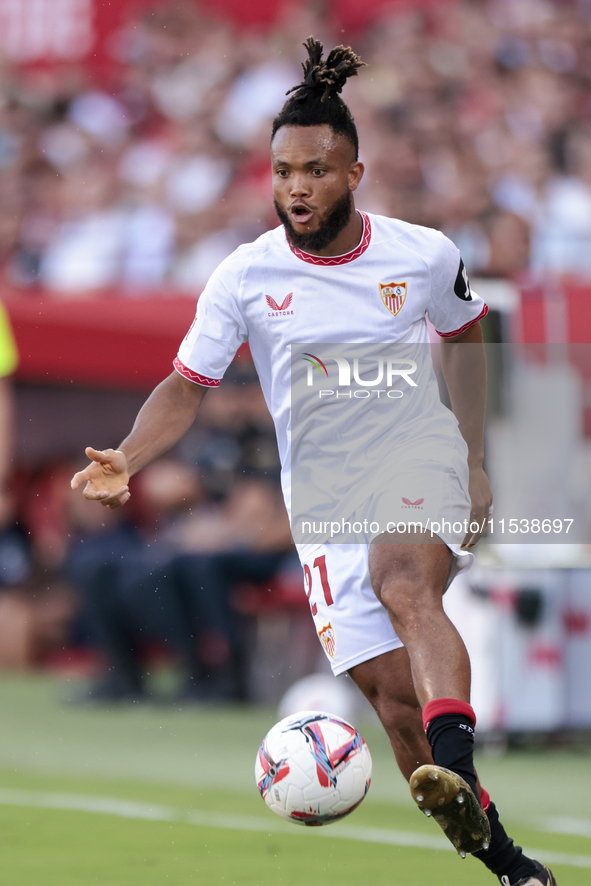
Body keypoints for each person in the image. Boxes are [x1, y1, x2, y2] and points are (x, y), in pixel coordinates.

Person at [71, 39, 555, 886]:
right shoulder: (243, 277)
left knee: (403, 577)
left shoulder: (422, 254)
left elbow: (465, 338)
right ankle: (500, 852)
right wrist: (130, 455)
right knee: (393, 706)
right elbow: (186, 386)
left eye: (316, 170)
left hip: (417, 457)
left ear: (354, 173)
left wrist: (474, 460)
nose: (297, 186)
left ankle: (457, 757)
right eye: (284, 171)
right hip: (322, 499)